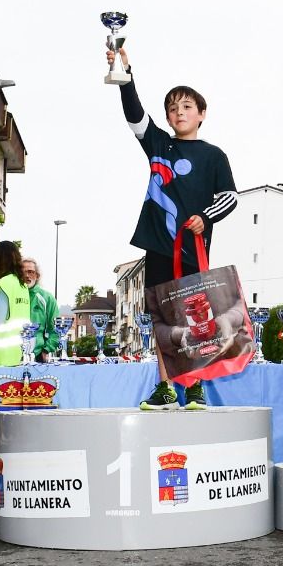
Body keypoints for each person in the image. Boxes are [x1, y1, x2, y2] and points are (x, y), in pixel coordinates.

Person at [107, 45, 239, 410]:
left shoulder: (214, 155)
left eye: (186, 107)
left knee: (195, 317)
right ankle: (165, 387)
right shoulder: (159, 145)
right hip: (159, 247)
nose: (178, 112)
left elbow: (230, 196)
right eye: (172, 108)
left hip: (192, 250)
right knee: (163, 319)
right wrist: (125, 74)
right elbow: (135, 116)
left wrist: (205, 217)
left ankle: (195, 386)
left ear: (201, 114)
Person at [21, 257, 58, 361]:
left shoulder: (47, 298)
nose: (27, 275)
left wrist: (46, 349)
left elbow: (55, 329)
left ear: (37, 276)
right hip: (14, 355)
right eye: (23, 272)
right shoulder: (12, 296)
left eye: (30, 272)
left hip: (37, 355)